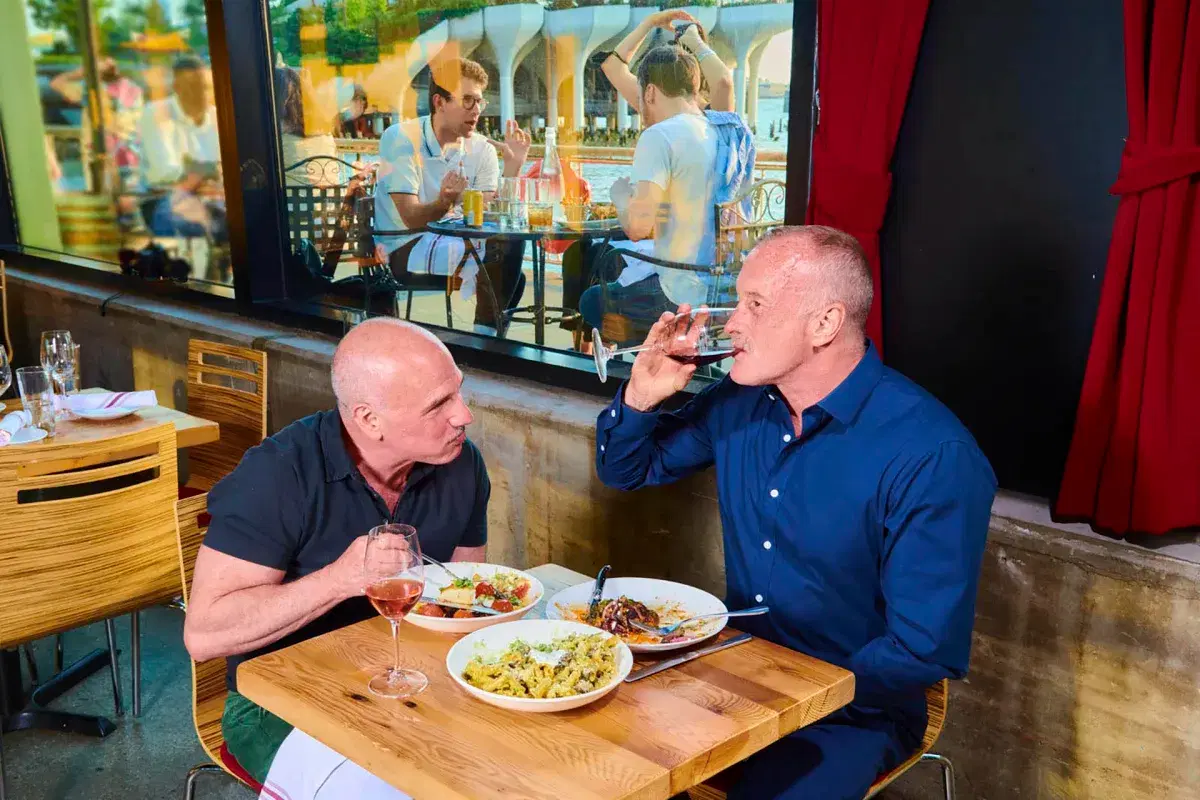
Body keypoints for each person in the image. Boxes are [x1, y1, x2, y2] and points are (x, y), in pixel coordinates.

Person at [595, 226, 997, 800]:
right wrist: (640, 398)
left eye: (755, 306)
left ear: (825, 324)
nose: (732, 323)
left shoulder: (931, 455)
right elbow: (627, 471)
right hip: (731, 672)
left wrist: (793, 693)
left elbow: (921, 650)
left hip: (853, 711)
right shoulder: (739, 402)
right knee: (599, 756)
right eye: (737, 301)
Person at [183, 318, 488, 799]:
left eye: (458, 393)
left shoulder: (462, 463)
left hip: (411, 681)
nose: (464, 415)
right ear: (370, 420)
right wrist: (339, 579)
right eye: (439, 405)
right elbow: (203, 635)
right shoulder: (279, 473)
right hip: (275, 700)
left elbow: (464, 597)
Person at [579, 44, 755, 345]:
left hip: (679, 298)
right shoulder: (727, 131)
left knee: (592, 300)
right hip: (727, 291)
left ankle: (656, 370)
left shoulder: (659, 136)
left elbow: (636, 228)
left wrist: (620, 195)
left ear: (650, 92)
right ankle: (685, 365)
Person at [374, 57, 532, 335]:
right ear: (439, 102)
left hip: (452, 240)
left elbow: (492, 216)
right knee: (509, 266)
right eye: (467, 100)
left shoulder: (481, 148)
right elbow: (410, 218)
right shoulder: (401, 138)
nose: (477, 111)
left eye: (480, 102)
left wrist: (512, 168)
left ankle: (486, 342)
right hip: (402, 246)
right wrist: (445, 201)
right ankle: (486, 345)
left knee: (511, 263)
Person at [137, 54, 226, 243]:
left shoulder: (217, 116)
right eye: (191, 87)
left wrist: (200, 171)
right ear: (176, 88)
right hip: (164, 198)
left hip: (213, 197)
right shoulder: (156, 113)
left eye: (204, 87)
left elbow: (228, 167)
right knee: (191, 226)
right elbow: (164, 172)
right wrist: (211, 170)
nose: (199, 94)